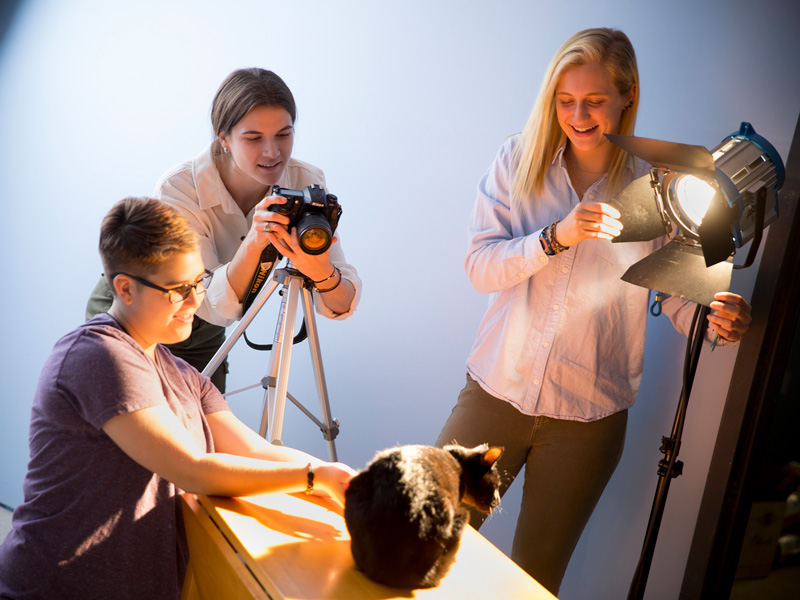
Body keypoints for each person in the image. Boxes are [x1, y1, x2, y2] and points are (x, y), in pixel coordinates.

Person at [434, 28, 752, 595]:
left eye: (594, 101)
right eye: (565, 101)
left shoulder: (661, 189)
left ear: (628, 95)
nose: (577, 116)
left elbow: (678, 300)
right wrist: (553, 238)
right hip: (495, 394)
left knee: (531, 581)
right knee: (431, 545)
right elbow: (479, 266)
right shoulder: (517, 159)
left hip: (587, 420)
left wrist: (715, 320)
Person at [0, 197, 357, 600]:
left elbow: (254, 452)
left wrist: (344, 479)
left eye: (198, 284)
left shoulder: (182, 374)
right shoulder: (98, 355)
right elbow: (192, 469)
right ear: (125, 288)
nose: (195, 302)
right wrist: (313, 477)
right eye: (178, 290)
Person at [86, 68, 361, 391]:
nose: (273, 152)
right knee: (127, 427)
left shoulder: (305, 181)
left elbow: (340, 304)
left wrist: (321, 270)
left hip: (200, 329)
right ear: (224, 138)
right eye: (254, 138)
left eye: (284, 135)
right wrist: (256, 243)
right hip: (137, 309)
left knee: (203, 437)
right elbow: (210, 304)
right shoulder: (180, 187)